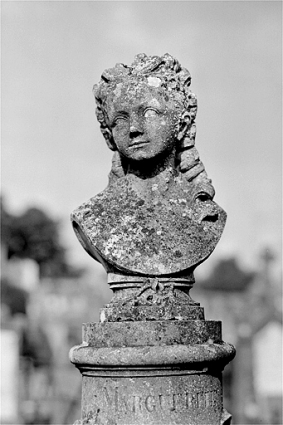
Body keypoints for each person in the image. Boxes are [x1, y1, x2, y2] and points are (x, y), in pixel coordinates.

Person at [71, 54, 226, 278]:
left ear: (181, 125)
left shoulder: (206, 216)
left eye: (149, 113)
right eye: (120, 119)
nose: (134, 128)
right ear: (110, 136)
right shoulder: (93, 217)